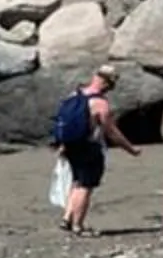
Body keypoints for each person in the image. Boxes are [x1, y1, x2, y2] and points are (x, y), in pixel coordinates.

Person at [53, 68, 136, 236]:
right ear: (106, 83)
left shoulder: (74, 94)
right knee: (86, 186)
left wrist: (61, 144)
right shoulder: (100, 103)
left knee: (76, 182)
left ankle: (67, 218)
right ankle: (78, 226)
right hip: (89, 146)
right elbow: (111, 131)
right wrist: (130, 148)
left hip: (70, 145)